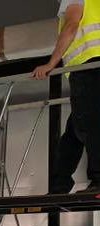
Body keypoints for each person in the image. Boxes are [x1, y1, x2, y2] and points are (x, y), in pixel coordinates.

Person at [33, 0, 100, 194]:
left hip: (88, 67)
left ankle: (98, 179)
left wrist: (50, 64)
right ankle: (59, 184)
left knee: (90, 125)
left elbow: (71, 26)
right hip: (92, 67)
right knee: (75, 130)